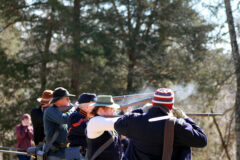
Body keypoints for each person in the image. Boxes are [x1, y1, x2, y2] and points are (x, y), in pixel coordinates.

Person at [114, 88, 208, 160]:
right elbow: (202, 140)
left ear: (153, 103)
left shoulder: (136, 120)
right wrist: (185, 118)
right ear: (171, 106)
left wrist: (141, 110)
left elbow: (119, 123)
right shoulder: (178, 126)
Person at [86, 95, 123, 160]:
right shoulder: (95, 121)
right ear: (101, 109)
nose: (114, 111)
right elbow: (118, 123)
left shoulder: (105, 121)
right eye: (111, 108)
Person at [43, 87, 75, 160]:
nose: (69, 100)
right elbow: (64, 119)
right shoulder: (50, 111)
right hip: (55, 153)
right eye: (67, 98)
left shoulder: (64, 111)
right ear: (59, 100)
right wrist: (73, 109)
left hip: (67, 151)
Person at [66, 93, 97, 160]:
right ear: (86, 106)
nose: (96, 107)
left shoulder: (88, 116)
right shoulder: (74, 116)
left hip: (85, 152)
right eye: (94, 104)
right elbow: (87, 129)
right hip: (76, 153)